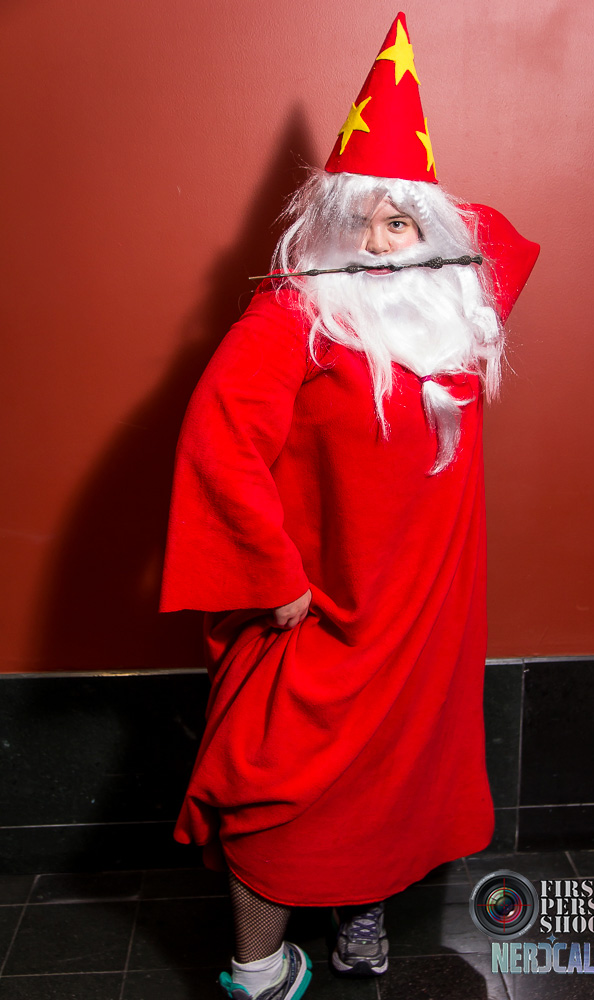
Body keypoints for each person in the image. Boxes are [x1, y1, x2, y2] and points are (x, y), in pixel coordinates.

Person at [160, 12, 539, 1000]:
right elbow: (216, 440)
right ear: (323, 228)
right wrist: (270, 574)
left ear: (433, 234)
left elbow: (495, 235)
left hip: (426, 616)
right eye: (354, 220)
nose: (374, 243)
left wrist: (412, 198)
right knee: (273, 783)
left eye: (397, 223)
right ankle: (256, 968)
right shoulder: (292, 312)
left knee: (394, 779)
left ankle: (359, 916)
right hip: (324, 606)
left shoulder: (460, 305)